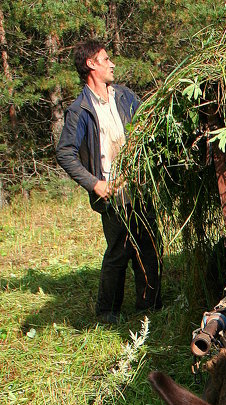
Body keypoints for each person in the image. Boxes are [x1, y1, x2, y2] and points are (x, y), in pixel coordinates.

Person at [56, 39, 161, 324]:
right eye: (105, 59)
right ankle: (107, 312)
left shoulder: (124, 97)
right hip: (111, 191)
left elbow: (148, 125)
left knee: (150, 244)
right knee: (119, 250)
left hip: (139, 185)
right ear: (91, 65)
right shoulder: (80, 110)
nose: (112, 64)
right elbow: (65, 153)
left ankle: (149, 306)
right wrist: (95, 184)